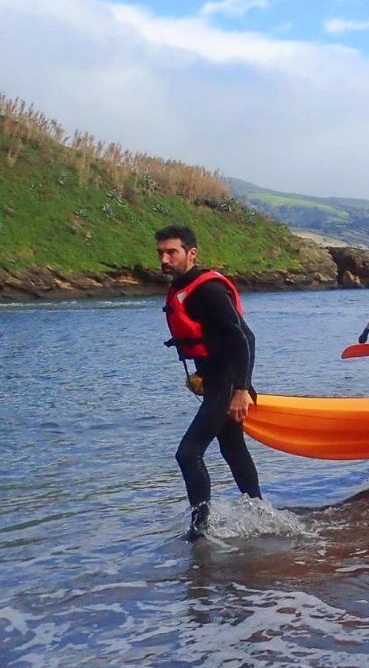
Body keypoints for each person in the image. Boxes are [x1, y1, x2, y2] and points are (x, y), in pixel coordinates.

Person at [157, 224, 261, 541]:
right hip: (216, 381)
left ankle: (199, 530)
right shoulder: (184, 288)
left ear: (191, 253)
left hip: (227, 385)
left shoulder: (207, 290)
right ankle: (260, 516)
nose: (164, 259)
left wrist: (242, 390)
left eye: (171, 252)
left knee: (188, 454)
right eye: (160, 252)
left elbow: (245, 338)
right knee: (233, 449)